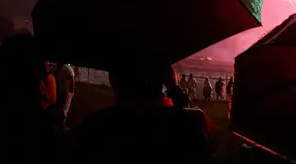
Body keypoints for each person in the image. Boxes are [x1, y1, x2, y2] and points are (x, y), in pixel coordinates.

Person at [75, 53, 213, 161]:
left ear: (114, 80)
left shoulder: (94, 127)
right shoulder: (191, 123)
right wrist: (174, 89)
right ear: (165, 77)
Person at [56, 62, 75, 129]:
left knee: (61, 107)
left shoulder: (59, 69)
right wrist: (72, 90)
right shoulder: (69, 69)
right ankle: (63, 125)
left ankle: (60, 123)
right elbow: (73, 80)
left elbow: (57, 80)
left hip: (61, 90)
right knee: (65, 108)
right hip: (67, 91)